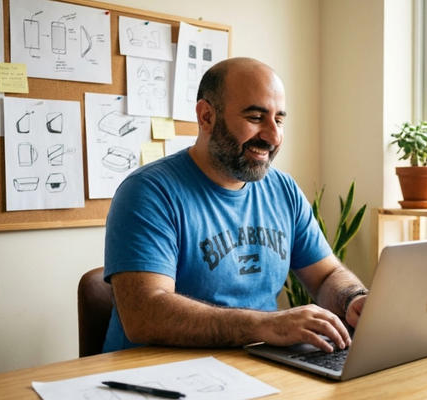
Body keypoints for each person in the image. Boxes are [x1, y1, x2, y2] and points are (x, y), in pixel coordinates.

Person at [103, 57, 368, 354]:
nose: (273, 136)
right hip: (156, 376)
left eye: (279, 120)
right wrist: (264, 325)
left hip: (258, 366)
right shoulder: (148, 192)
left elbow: (327, 276)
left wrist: (353, 298)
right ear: (206, 117)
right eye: (256, 118)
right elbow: (144, 314)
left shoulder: (284, 190)